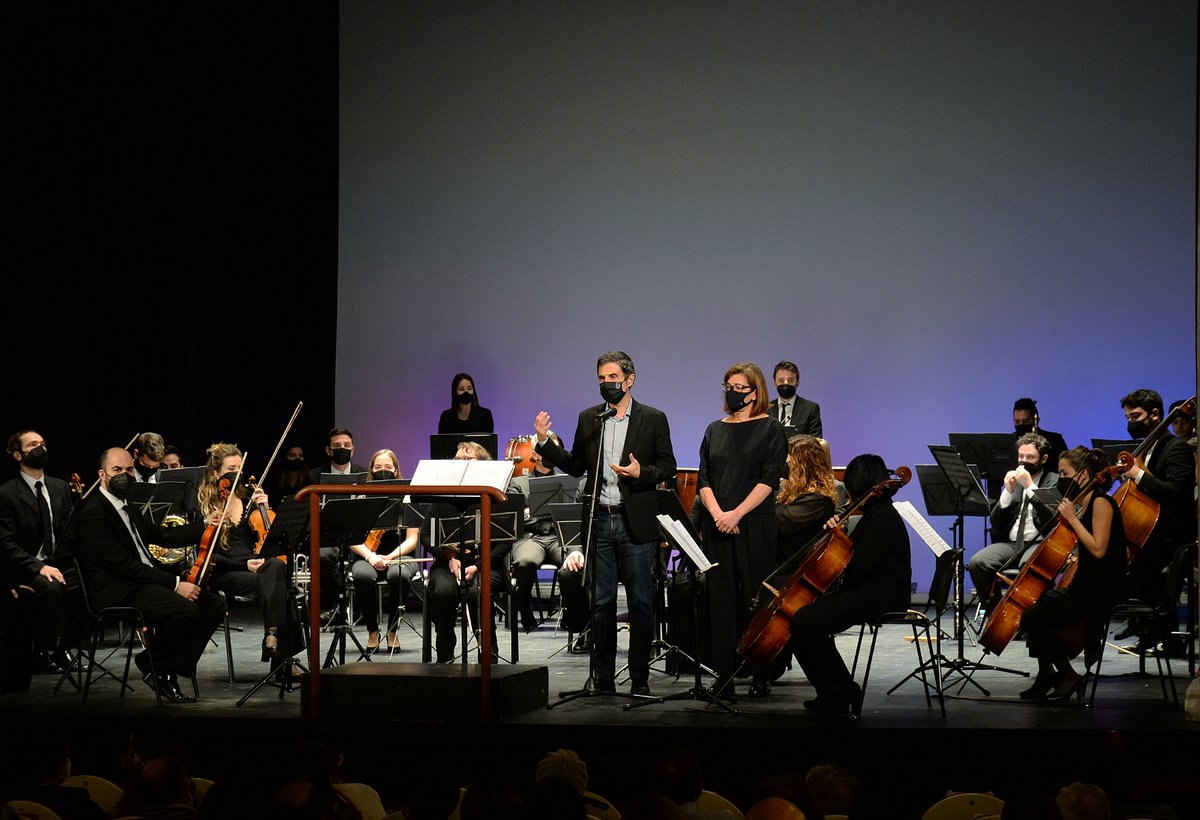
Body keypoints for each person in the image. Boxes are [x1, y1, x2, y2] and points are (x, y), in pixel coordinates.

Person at [534, 350, 677, 696]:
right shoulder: (590, 418)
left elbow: (667, 466)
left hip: (634, 523)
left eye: (612, 378)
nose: (606, 384)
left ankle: (640, 678)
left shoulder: (652, 418)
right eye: (601, 378)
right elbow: (576, 466)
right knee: (601, 604)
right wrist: (543, 442)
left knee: (642, 602)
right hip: (599, 520)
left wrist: (642, 473)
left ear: (630, 379)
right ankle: (603, 679)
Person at [74, 447, 227, 703]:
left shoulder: (127, 505)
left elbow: (162, 535)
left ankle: (158, 664)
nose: (125, 475)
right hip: (118, 589)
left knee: (213, 604)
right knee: (185, 611)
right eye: (117, 470)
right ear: (102, 474)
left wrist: (204, 525)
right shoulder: (93, 514)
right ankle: (160, 669)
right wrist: (176, 584)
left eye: (129, 469)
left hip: (143, 580)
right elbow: (123, 568)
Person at [789, 453, 911, 715]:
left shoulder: (882, 518)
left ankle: (841, 691)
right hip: (868, 591)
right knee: (802, 618)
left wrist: (841, 538)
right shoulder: (875, 514)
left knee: (805, 621)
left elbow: (858, 567)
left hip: (882, 596)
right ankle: (833, 691)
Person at [697, 362, 787, 699]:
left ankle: (762, 671)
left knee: (757, 599)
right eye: (728, 386)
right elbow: (704, 477)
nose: (732, 392)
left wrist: (736, 513)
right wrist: (720, 513)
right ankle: (724, 673)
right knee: (720, 600)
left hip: (754, 523)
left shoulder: (770, 428)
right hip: (719, 523)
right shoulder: (714, 429)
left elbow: (770, 478)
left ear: (754, 392)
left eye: (739, 387)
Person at [1018, 446, 1125, 702]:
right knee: (1034, 605)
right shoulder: (1083, 503)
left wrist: (1072, 520)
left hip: (1100, 589)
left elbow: (1098, 549)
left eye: (1065, 472)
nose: (1061, 478)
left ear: (1083, 475)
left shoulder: (1101, 502)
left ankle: (1067, 675)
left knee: (1035, 617)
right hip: (1085, 584)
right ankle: (1046, 673)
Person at [1115, 389, 1195, 651]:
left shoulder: (1177, 448)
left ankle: (1165, 635)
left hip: (1173, 534)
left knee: (1137, 567)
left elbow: (1177, 494)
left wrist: (1138, 475)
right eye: (1127, 416)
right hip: (1150, 531)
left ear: (1155, 415)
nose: (1131, 422)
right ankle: (1150, 630)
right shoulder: (1145, 450)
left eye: (1135, 416)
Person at [201, 443, 294, 662]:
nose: (237, 474)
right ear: (216, 474)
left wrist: (264, 508)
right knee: (282, 588)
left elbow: (273, 541)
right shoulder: (205, 506)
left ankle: (272, 636)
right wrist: (243, 566)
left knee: (278, 567)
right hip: (224, 571)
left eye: (239, 469)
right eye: (231, 470)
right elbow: (206, 554)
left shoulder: (247, 501)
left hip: (255, 567)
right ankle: (283, 661)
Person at [424, 441, 512, 663]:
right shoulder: (441, 494)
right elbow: (426, 534)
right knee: (443, 592)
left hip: (487, 564)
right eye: (458, 459)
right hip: (448, 563)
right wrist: (449, 557)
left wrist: (478, 566)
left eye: (468, 458)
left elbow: (506, 541)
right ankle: (445, 654)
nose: (461, 463)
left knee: (477, 593)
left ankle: (488, 656)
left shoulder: (497, 495)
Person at [0, 430, 74, 679]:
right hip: (25, 566)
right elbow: (6, 543)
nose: (40, 448)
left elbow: (68, 532)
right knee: (52, 588)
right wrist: (39, 566)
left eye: (43, 443)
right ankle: (43, 651)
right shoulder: (7, 493)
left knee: (91, 583)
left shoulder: (60, 487)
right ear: (17, 454)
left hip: (57, 561)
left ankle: (64, 647)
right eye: (33, 445)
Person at [967, 433, 1061, 608]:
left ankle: (1030, 616)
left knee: (1029, 566)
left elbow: (1052, 518)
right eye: (1021, 456)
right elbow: (996, 523)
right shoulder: (1014, 481)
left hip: (1039, 542)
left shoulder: (1054, 481)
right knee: (978, 562)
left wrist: (1030, 487)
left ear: (1043, 458)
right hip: (1011, 544)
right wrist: (1008, 491)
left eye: (1030, 457)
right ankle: (995, 611)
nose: (1023, 461)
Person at [508, 448, 587, 635]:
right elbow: (517, 518)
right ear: (535, 456)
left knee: (573, 565)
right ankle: (525, 611)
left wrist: (533, 514)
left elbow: (575, 513)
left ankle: (570, 614)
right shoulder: (518, 483)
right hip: (530, 538)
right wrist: (546, 520)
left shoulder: (570, 481)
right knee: (524, 562)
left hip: (562, 538)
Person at [348, 449, 419, 653]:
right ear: (371, 470)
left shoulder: (407, 498)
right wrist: (371, 556)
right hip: (366, 555)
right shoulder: (361, 497)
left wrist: (389, 557)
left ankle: (393, 630)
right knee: (361, 575)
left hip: (400, 555)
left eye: (388, 467)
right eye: (378, 467)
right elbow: (352, 539)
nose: (383, 470)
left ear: (396, 470)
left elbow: (412, 540)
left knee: (399, 574)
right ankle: (372, 630)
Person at [309, 428, 368, 613]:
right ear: (328, 450)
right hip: (327, 534)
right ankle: (335, 605)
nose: (342, 449)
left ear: (353, 449)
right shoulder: (313, 476)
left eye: (346, 445)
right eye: (337, 446)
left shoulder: (365, 475)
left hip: (359, 534)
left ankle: (357, 607)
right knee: (322, 555)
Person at [767, 361, 822, 437]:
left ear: (797, 383)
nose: (785, 383)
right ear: (774, 383)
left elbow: (815, 443)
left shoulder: (810, 409)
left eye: (790, 380)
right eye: (781, 380)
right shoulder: (765, 409)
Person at [1012, 398, 1068, 466]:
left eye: (1026, 421)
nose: (1021, 425)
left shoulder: (1055, 440)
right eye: (1017, 422)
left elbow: (1065, 466)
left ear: (1036, 420)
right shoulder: (1009, 441)